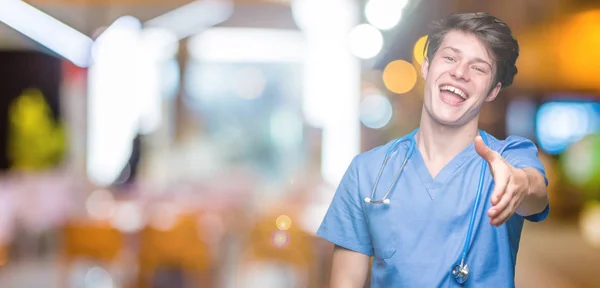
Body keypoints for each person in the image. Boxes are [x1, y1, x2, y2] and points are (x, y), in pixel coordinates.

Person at [316, 12, 549, 287]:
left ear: (492, 91)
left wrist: (519, 184)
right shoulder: (366, 171)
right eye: (450, 58)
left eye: (479, 68)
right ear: (426, 67)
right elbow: (345, 282)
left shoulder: (508, 157)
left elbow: (535, 192)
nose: (459, 73)